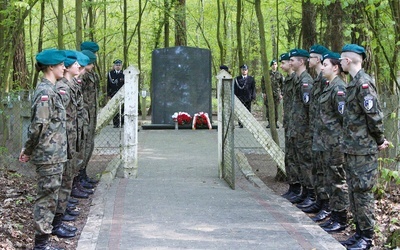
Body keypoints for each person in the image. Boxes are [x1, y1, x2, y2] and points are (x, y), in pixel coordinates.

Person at [339, 44, 389, 250]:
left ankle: (367, 237)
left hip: (363, 149)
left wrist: (379, 139)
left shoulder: (364, 84)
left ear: (348, 61)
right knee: (354, 191)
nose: (339, 62)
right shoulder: (353, 84)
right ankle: (359, 232)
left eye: (341, 59)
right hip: (352, 148)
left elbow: (374, 116)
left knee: (363, 192)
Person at [19, 49, 67, 250]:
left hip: (55, 155)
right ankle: (41, 244)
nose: (64, 67)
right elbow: (39, 125)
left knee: (51, 197)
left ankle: (44, 241)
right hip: (48, 155)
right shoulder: (45, 92)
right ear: (50, 67)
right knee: (46, 199)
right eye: (61, 64)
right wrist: (28, 149)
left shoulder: (51, 89)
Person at [314, 51, 349, 233]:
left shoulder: (338, 88)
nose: (322, 67)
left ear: (335, 67)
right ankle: (334, 215)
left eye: (325, 64)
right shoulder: (329, 87)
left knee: (337, 180)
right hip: (327, 142)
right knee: (330, 179)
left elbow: (344, 118)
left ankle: (341, 218)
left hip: (336, 143)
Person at [298, 44, 330, 214]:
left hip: (326, 135)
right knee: (318, 169)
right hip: (317, 132)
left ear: (317, 59)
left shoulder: (326, 81)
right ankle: (320, 201)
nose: (308, 60)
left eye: (311, 57)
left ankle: (327, 206)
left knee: (326, 171)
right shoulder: (318, 80)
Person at [286, 49, 313, 204]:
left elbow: (308, 108)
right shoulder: (298, 80)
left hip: (304, 131)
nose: (290, 63)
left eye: (293, 60)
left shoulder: (306, 81)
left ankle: (310, 194)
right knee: (299, 161)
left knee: (306, 163)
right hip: (296, 129)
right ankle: (303, 192)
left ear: (301, 62)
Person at [77, 42, 100, 187]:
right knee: (83, 145)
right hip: (84, 114)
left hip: (91, 114)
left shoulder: (92, 73)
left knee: (89, 144)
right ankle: (78, 177)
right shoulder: (82, 75)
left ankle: (83, 173)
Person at [278, 52, 301, 201]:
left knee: (298, 159)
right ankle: (293, 187)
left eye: (284, 63)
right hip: (290, 123)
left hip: (297, 126)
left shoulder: (297, 80)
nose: (282, 66)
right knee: (290, 157)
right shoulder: (288, 80)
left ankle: (300, 190)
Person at [261, 59, 283, 128]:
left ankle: (275, 122)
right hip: (268, 94)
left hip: (276, 94)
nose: (274, 66)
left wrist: (281, 93)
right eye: (273, 64)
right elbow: (263, 83)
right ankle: (269, 122)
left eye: (275, 64)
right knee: (268, 108)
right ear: (271, 66)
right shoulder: (267, 74)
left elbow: (282, 84)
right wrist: (264, 92)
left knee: (276, 108)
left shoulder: (279, 74)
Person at [107, 59, 125, 128]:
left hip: (122, 94)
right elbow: (108, 85)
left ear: (121, 66)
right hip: (113, 94)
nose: (118, 66)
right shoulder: (110, 74)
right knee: (114, 109)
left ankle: (121, 123)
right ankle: (115, 123)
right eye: (116, 65)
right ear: (114, 66)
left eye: (119, 65)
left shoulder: (123, 74)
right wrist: (109, 94)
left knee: (122, 109)